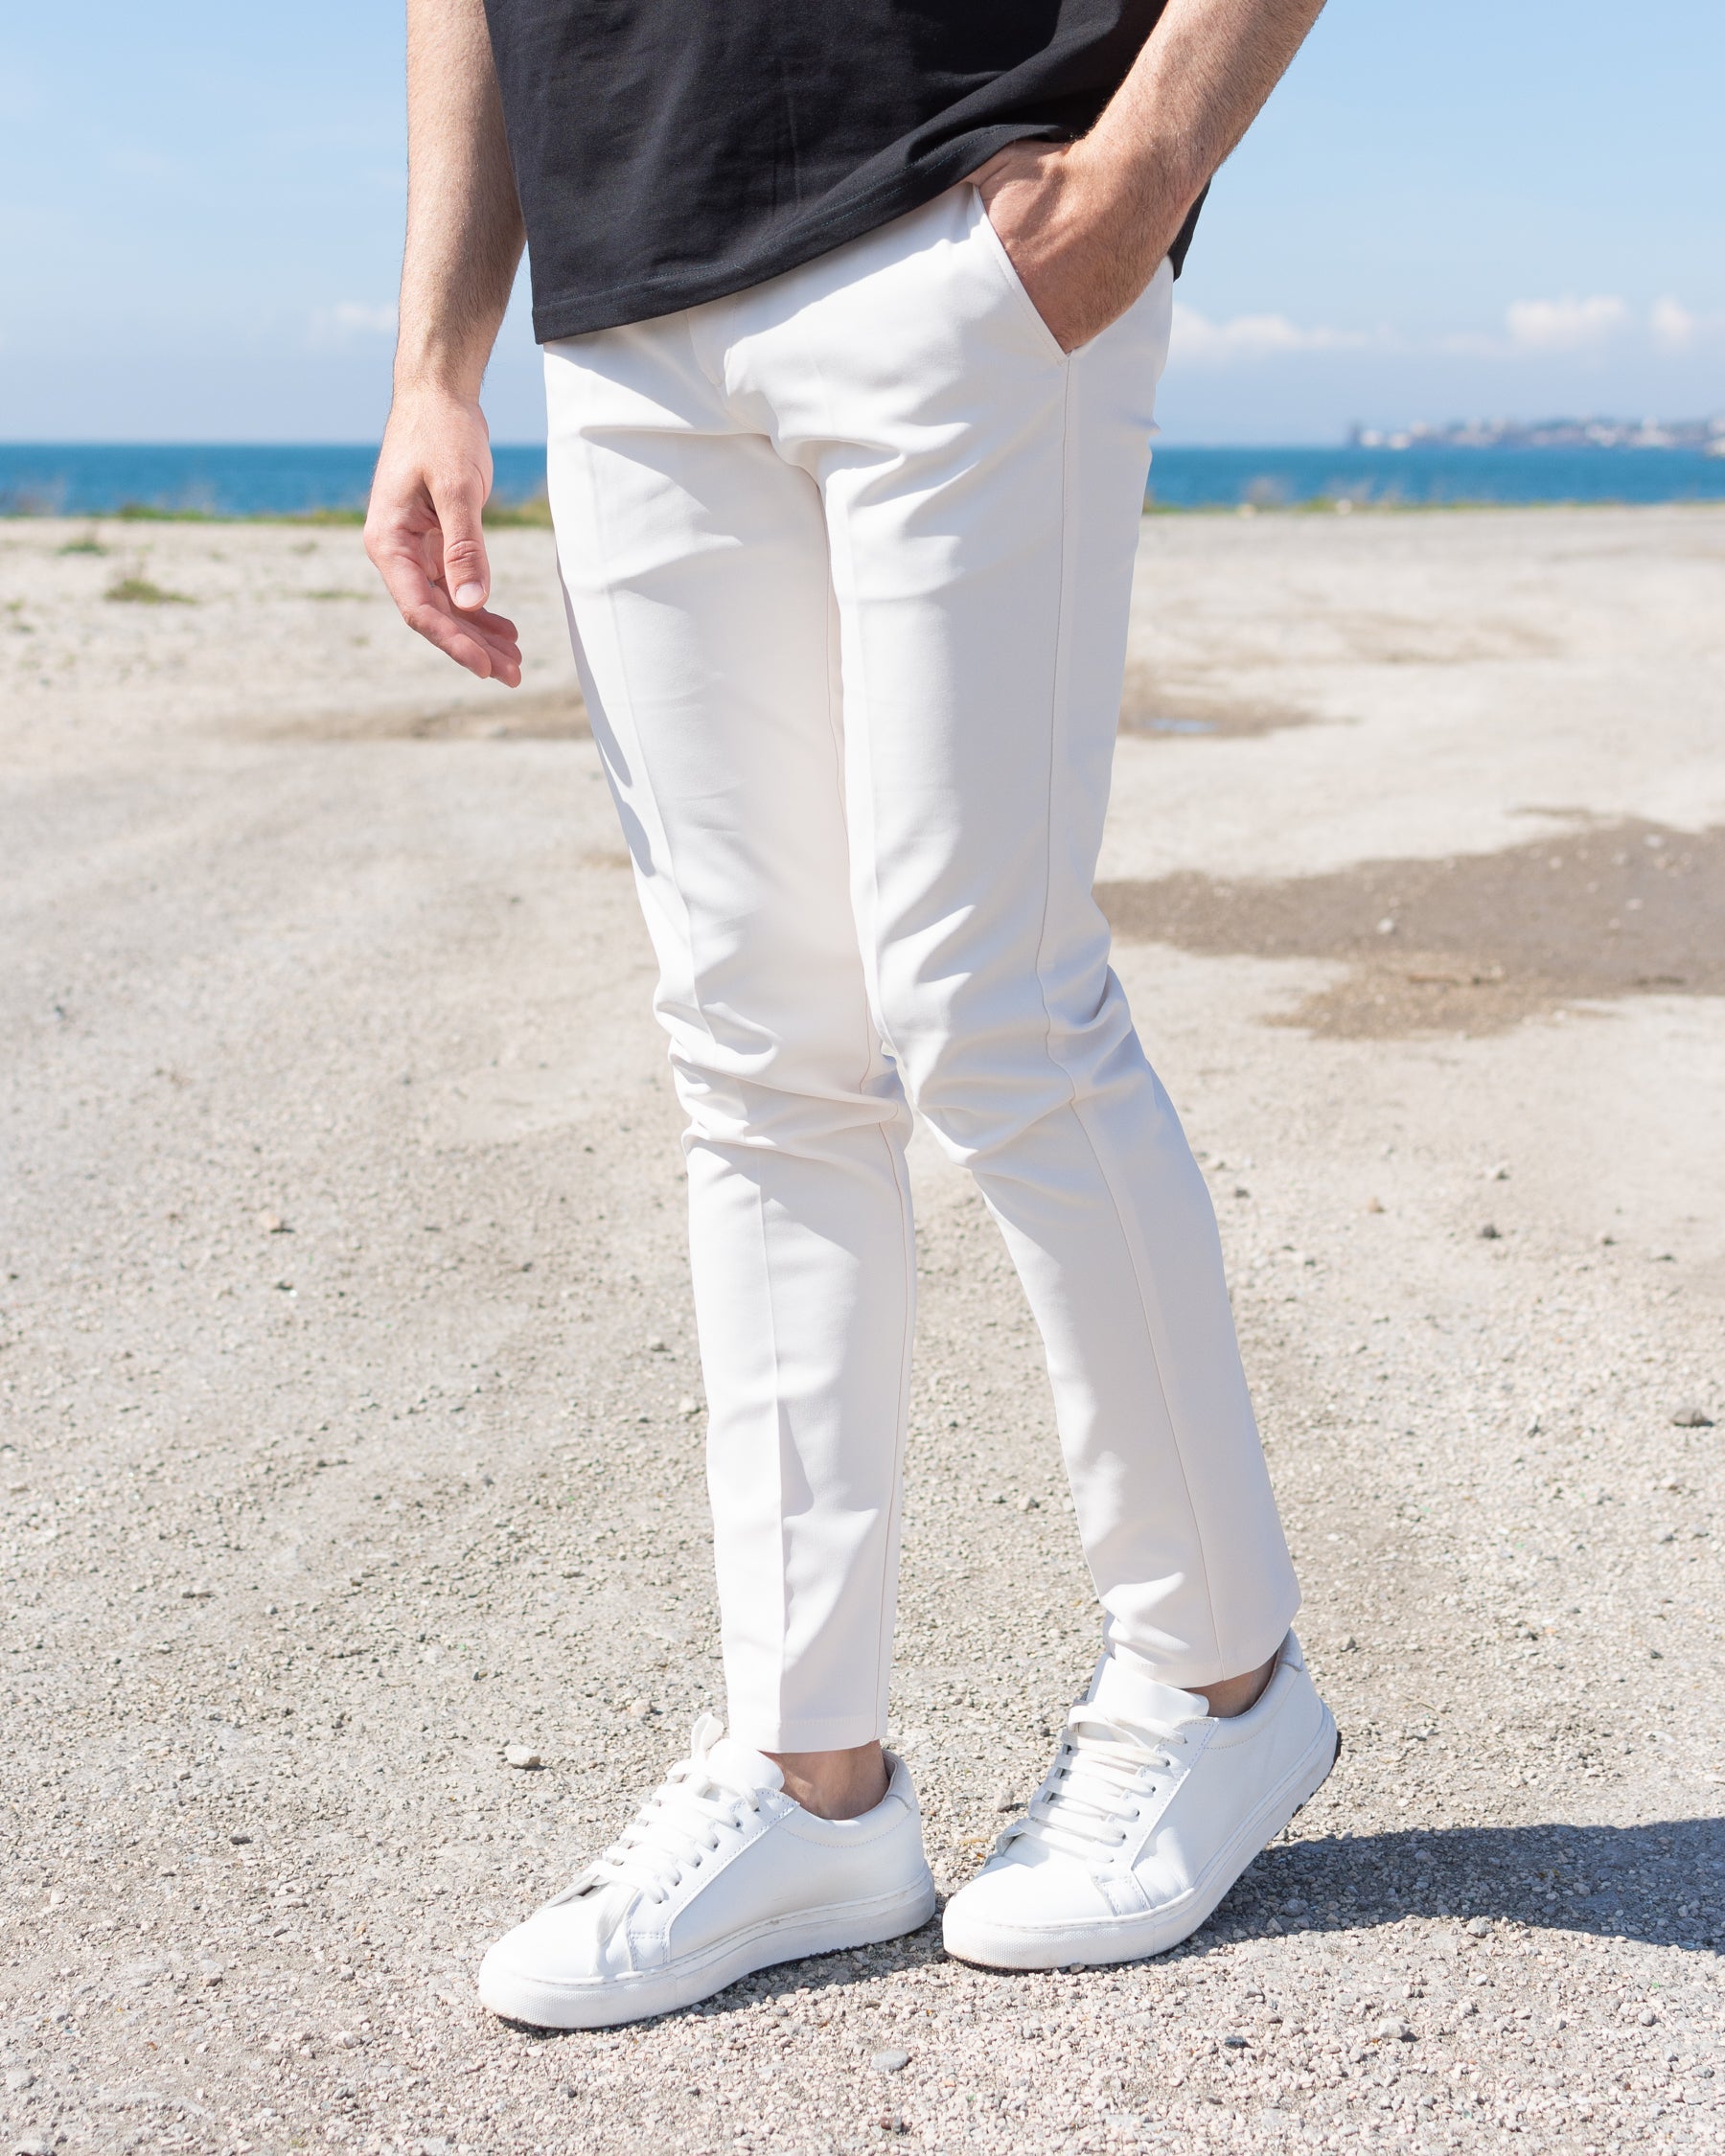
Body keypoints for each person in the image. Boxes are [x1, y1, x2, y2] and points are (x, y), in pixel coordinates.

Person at [365, 0, 1338, 2030]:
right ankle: (813, 1782)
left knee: (994, 1005)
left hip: (960, 213)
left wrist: (1145, 170)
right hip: (623, 301)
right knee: (756, 1056)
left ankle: (1222, 1679)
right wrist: (437, 360)